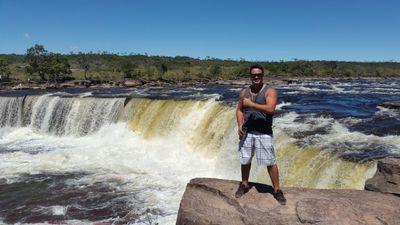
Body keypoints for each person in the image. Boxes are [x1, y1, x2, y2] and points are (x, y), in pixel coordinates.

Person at [235, 64, 286, 205]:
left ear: (262, 76)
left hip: (264, 132)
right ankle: (244, 184)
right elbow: (239, 110)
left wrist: (251, 104)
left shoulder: (270, 91)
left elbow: (270, 109)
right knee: (245, 160)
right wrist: (239, 124)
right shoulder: (244, 92)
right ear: (250, 77)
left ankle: (276, 190)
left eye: (258, 75)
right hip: (247, 131)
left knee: (270, 162)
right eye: (253, 75)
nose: (256, 77)